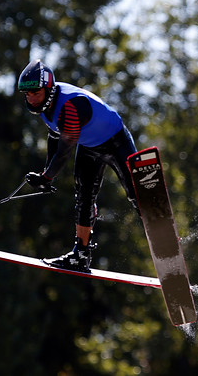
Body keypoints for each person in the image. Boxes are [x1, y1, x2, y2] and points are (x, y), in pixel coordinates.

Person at [18, 59, 139, 272]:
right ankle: (81, 255)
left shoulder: (71, 106)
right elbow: (54, 139)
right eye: (27, 94)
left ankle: (161, 232)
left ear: (47, 89)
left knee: (135, 193)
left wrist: (46, 177)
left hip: (115, 140)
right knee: (83, 199)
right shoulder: (45, 105)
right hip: (89, 145)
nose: (31, 99)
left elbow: (64, 153)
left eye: (35, 93)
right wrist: (46, 173)